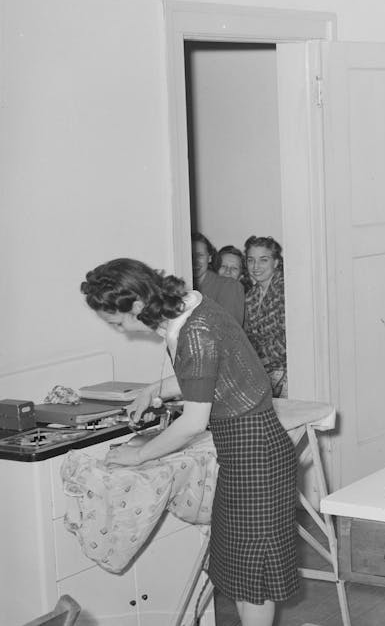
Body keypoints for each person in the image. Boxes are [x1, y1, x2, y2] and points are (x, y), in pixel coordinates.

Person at [80, 259, 298, 626]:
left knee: (254, 577)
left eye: (117, 323)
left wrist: (139, 457)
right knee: (244, 574)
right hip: (245, 451)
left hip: (256, 453)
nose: (119, 330)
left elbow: (193, 422)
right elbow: (210, 370)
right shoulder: (192, 310)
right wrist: (155, 390)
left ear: (135, 306)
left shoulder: (195, 330)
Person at [244, 236, 287, 398]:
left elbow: (290, 339)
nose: (256, 267)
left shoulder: (285, 289)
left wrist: (260, 359)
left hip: (288, 371)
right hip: (265, 373)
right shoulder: (251, 296)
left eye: (263, 260)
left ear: (275, 262)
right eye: (250, 260)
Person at [192, 232, 246, 325]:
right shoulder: (181, 288)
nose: (194, 261)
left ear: (209, 258)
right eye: (190, 255)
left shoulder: (230, 286)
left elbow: (230, 331)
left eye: (200, 255)